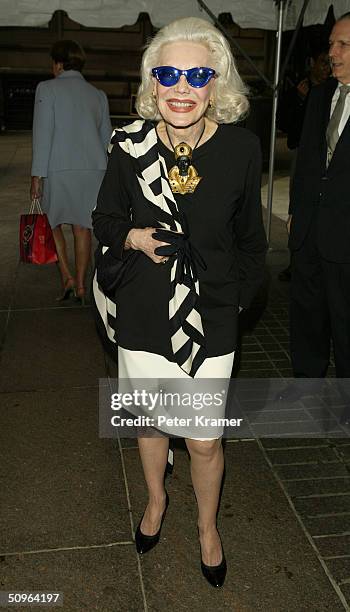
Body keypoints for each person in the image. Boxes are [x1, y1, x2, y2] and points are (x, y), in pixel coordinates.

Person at [93, 17, 267, 587]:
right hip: (144, 308)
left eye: (197, 74)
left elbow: (250, 241)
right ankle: (154, 501)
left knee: (202, 436)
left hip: (212, 312)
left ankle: (208, 527)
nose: (182, 87)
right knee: (150, 423)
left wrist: (237, 301)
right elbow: (105, 219)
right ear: (152, 82)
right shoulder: (128, 146)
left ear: (216, 83)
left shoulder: (241, 147)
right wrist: (135, 237)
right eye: (168, 74)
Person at [288, 13, 350, 417]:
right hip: (309, 229)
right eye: (331, 44)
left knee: (345, 323)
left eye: (343, 45)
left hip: (346, 234)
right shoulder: (319, 95)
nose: (332, 53)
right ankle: (306, 389)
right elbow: (306, 160)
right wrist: (295, 209)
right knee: (307, 315)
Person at [30, 40, 112, 303]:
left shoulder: (46, 88)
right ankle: (81, 287)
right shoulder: (97, 94)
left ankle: (66, 276)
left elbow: (43, 135)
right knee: (82, 227)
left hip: (58, 169)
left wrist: (36, 175)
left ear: (58, 63)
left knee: (52, 224)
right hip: (93, 169)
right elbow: (105, 138)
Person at [278, 47, 330, 281]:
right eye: (322, 61)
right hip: (303, 154)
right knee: (298, 208)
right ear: (313, 64)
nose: (326, 67)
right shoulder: (301, 89)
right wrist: (301, 99)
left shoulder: (332, 91)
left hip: (327, 158)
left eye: (328, 62)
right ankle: (295, 261)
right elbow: (287, 124)